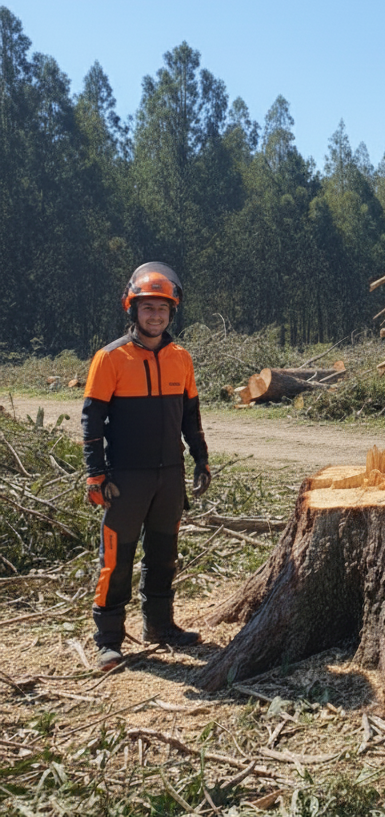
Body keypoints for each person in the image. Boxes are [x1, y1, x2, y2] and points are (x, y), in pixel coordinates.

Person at [82, 263, 212, 671]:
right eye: (147, 308)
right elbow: (91, 420)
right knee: (115, 558)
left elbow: (190, 415)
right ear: (132, 310)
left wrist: (201, 458)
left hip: (169, 476)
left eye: (162, 308)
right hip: (125, 478)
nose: (155, 315)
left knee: (163, 554)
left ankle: (160, 626)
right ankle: (108, 639)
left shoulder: (181, 358)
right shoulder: (110, 358)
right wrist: (96, 473)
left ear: (171, 313)